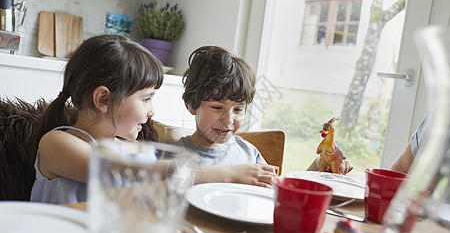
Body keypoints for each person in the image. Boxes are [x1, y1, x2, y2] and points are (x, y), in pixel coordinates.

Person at [30, 34, 164, 204]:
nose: (152, 112)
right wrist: (184, 171)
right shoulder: (55, 143)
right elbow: (113, 172)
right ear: (103, 99)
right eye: (146, 99)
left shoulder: (131, 149)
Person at [173, 46, 277, 188]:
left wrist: (315, 165)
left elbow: (278, 194)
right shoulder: (176, 155)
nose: (228, 119)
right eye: (217, 107)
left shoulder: (249, 154)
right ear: (192, 104)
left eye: (238, 109)